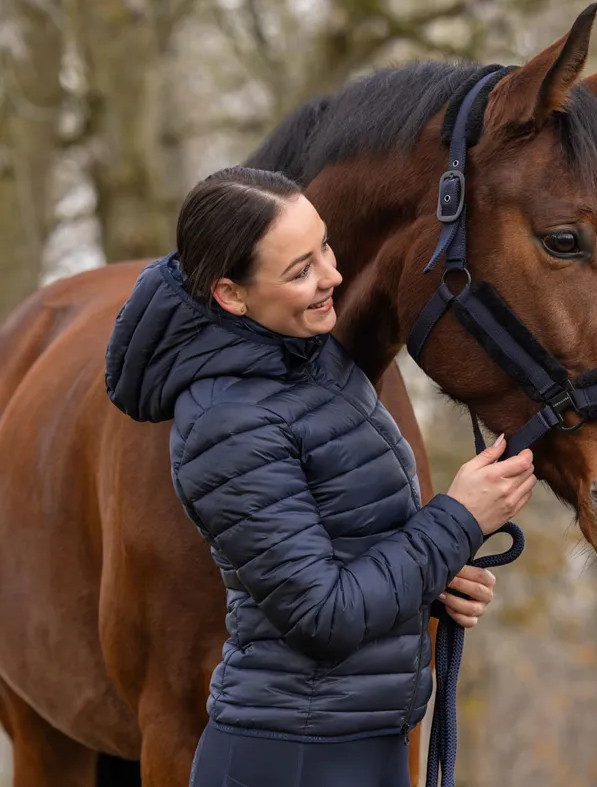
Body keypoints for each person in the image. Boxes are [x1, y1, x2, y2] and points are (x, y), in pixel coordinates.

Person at [105, 166, 536, 787]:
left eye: (325, 247)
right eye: (299, 270)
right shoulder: (227, 421)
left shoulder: (309, 359)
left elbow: (344, 545)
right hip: (295, 758)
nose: (332, 275)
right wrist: (458, 520)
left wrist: (436, 574)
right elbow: (321, 615)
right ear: (231, 295)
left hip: (360, 741)